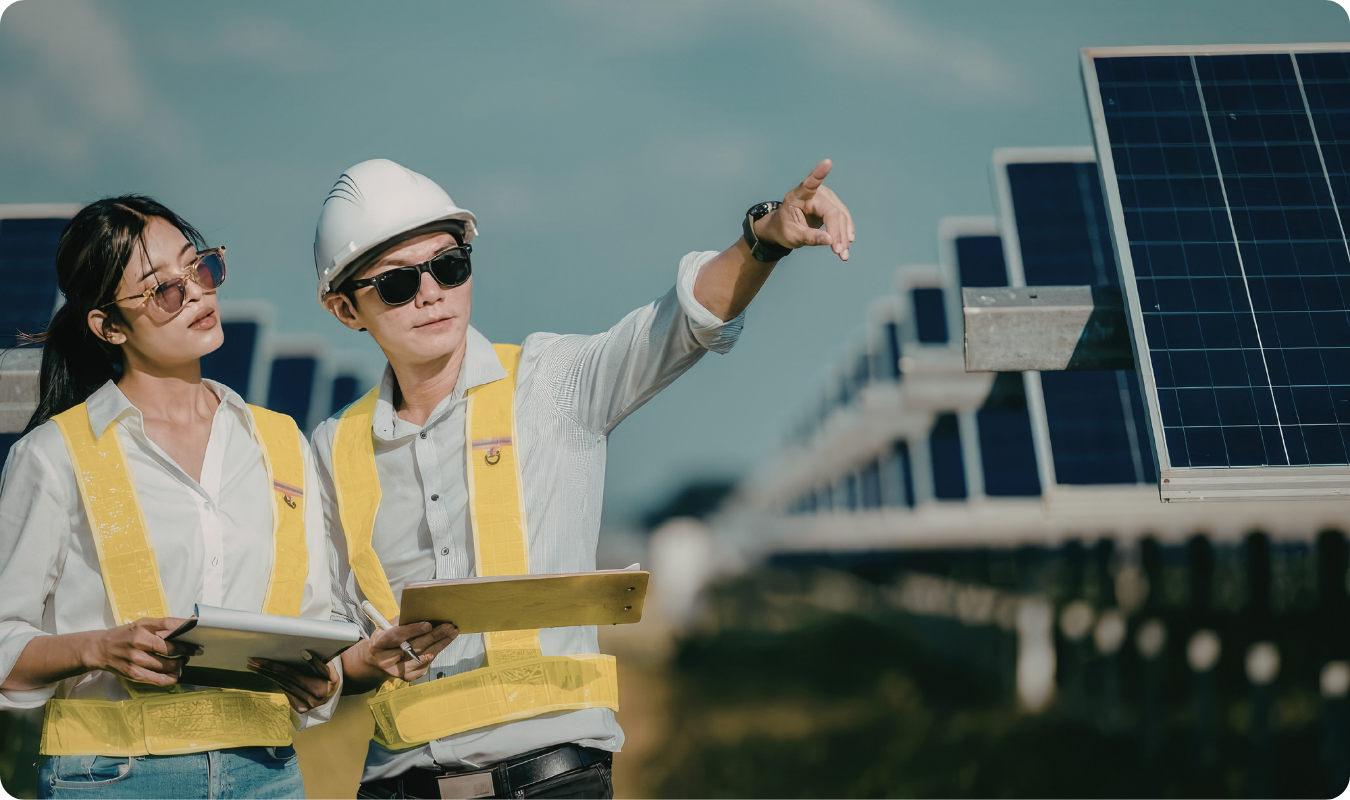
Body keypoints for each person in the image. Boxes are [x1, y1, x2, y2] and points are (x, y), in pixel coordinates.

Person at [310, 157, 854, 800]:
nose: (432, 292)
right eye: (398, 284)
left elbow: (681, 324)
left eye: (450, 265)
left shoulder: (551, 382)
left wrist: (762, 242)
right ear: (346, 309)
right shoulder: (329, 450)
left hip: (553, 781)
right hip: (399, 786)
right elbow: (322, 639)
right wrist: (361, 663)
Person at [0, 196, 342, 798]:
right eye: (164, 289)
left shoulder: (282, 442)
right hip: (111, 780)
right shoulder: (54, 457)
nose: (198, 295)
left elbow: (317, 617)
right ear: (109, 326)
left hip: (268, 774)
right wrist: (100, 648)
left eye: (200, 269)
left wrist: (323, 680)